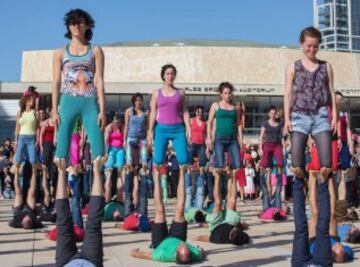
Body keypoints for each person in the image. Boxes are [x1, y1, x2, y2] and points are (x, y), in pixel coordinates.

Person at [284, 26, 337, 267]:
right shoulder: (293, 67)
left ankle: (322, 232)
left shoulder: (326, 67)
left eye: (316, 46)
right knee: (297, 170)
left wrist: (334, 115)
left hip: (320, 117)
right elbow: (287, 94)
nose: (312, 49)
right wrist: (286, 118)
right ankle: (302, 240)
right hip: (299, 117)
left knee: (326, 169)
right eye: (308, 45)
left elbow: (330, 92)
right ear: (301, 44)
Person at [51, 9, 106, 183]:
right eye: (73, 22)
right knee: (60, 157)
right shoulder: (60, 52)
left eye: (80, 22)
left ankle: (96, 193)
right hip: (67, 102)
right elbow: (56, 82)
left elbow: (100, 80)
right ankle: (63, 196)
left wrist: (103, 109)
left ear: (87, 25)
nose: (76, 25)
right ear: (68, 25)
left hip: (90, 103)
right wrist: (54, 109)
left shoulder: (95, 50)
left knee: (99, 154)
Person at [130, 154, 204, 263]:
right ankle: (182, 172)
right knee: (180, 209)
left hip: (160, 242)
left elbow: (145, 255)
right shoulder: (193, 253)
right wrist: (200, 250)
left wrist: (134, 252)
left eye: (182, 247)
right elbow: (201, 251)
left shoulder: (162, 254)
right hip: (178, 236)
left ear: (176, 252)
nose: (184, 244)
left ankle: (156, 175)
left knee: (160, 210)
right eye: (186, 247)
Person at [147, 64, 191, 204]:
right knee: (158, 161)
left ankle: (181, 199)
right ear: (163, 76)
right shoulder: (156, 93)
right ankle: (159, 198)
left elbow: (185, 112)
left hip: (178, 129)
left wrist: (188, 128)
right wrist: (150, 131)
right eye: (167, 73)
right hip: (161, 129)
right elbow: (153, 113)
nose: (170, 76)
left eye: (172, 73)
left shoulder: (181, 93)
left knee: (184, 160)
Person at [54, 156, 105, 267]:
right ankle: (96, 171)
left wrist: (61, 172)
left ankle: (62, 172)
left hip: (65, 263)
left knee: (63, 223)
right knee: (94, 223)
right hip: (91, 262)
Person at [193, 158, 249, 245]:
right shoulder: (238, 234)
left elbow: (205, 238)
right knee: (232, 201)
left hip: (216, 224)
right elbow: (241, 230)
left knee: (218, 203)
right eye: (235, 230)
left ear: (230, 238)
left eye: (233, 232)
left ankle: (217, 176)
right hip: (229, 222)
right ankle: (233, 175)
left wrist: (195, 238)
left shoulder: (218, 239)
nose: (234, 230)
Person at [206, 82, 243, 212]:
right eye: (225, 93)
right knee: (219, 168)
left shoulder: (235, 107)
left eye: (229, 93)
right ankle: (218, 200)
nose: (228, 95)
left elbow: (238, 124)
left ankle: (230, 198)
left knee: (237, 166)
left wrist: (241, 139)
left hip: (233, 139)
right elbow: (209, 122)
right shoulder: (216, 105)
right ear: (221, 94)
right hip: (219, 139)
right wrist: (209, 138)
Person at [123, 93, 149, 217]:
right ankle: (128, 209)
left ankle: (142, 209)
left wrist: (150, 139)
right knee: (129, 165)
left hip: (142, 139)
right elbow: (126, 126)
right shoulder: (128, 111)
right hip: (131, 139)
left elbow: (148, 127)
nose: (139, 102)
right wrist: (124, 139)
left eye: (140, 100)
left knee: (144, 166)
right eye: (137, 100)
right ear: (133, 101)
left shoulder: (146, 112)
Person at [258, 106, 284, 211]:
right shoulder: (265, 123)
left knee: (281, 163)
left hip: (277, 145)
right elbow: (261, 136)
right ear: (269, 114)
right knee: (264, 165)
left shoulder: (279, 123)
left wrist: (285, 146)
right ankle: (264, 186)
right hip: (267, 145)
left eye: (274, 113)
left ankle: (278, 185)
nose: (273, 114)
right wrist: (260, 147)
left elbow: (282, 135)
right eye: (271, 113)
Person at [186, 105, 207, 209]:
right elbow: (187, 131)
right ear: (195, 112)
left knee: (202, 160)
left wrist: (208, 145)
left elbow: (206, 135)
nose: (199, 113)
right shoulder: (191, 120)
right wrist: (188, 138)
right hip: (193, 142)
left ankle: (201, 175)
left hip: (202, 144)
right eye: (198, 111)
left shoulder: (204, 123)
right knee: (190, 159)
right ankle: (189, 173)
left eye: (201, 111)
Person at [39, 110, 57, 221]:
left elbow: (57, 133)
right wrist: (41, 146)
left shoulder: (57, 122)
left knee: (53, 168)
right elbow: (41, 134)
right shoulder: (46, 122)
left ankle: (53, 188)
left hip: (54, 145)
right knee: (45, 168)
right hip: (46, 144)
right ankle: (45, 186)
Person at [103, 116, 125, 203]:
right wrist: (105, 153)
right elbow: (105, 141)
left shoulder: (122, 127)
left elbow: (124, 139)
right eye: (116, 123)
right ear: (113, 122)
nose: (117, 125)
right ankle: (108, 196)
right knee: (109, 171)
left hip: (120, 149)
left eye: (118, 123)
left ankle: (119, 197)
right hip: (111, 149)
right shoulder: (109, 127)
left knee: (120, 171)